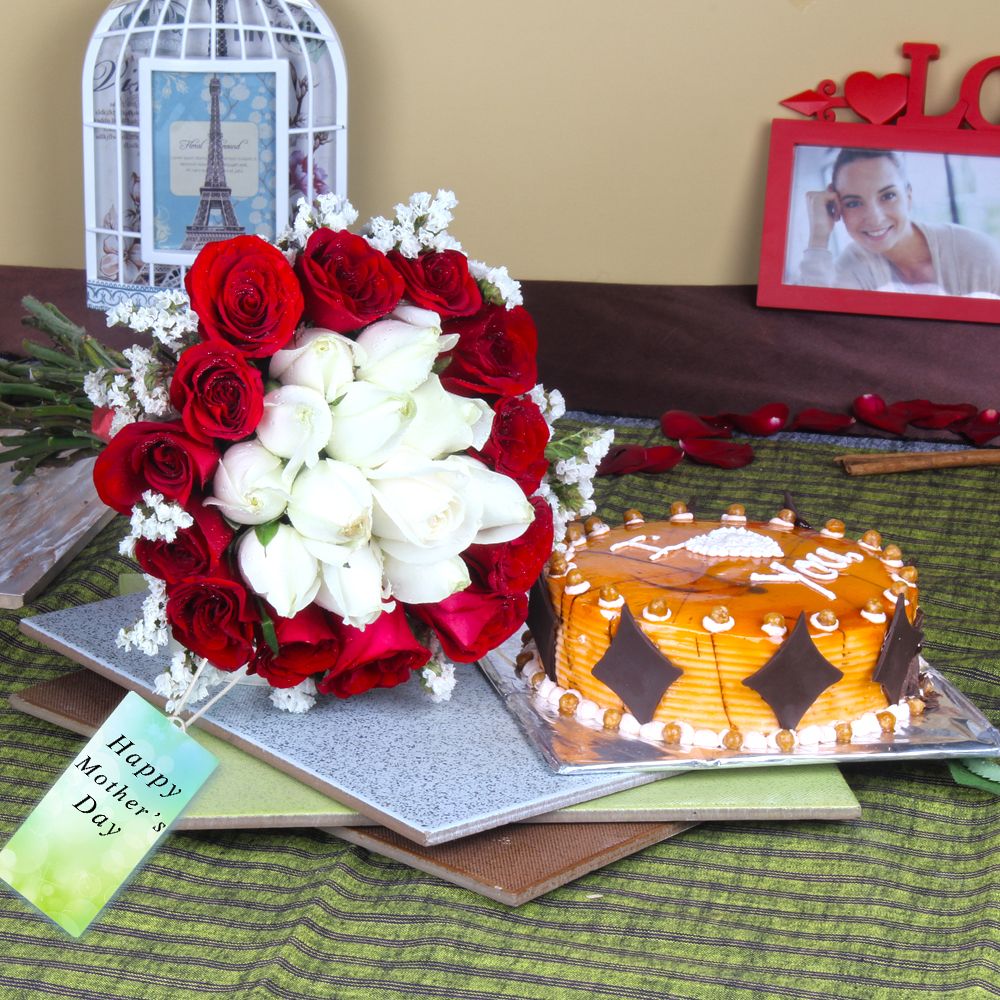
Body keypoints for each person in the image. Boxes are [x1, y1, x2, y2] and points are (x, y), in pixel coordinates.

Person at [798, 148, 1000, 296]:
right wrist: (818, 236)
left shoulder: (978, 253)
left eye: (888, 196)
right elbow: (814, 327)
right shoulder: (854, 265)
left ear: (909, 196)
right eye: (853, 203)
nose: (875, 217)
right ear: (837, 209)